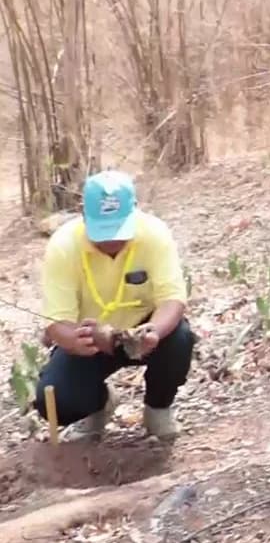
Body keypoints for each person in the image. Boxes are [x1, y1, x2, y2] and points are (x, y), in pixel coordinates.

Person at [33, 170, 194, 440]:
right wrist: (74, 340)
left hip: (144, 330)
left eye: (119, 231)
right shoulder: (63, 246)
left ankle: (158, 409)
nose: (111, 242)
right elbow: (57, 321)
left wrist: (153, 331)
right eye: (102, 232)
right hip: (90, 339)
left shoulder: (154, 233)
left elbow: (172, 299)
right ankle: (100, 404)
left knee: (180, 338)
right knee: (56, 400)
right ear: (83, 216)